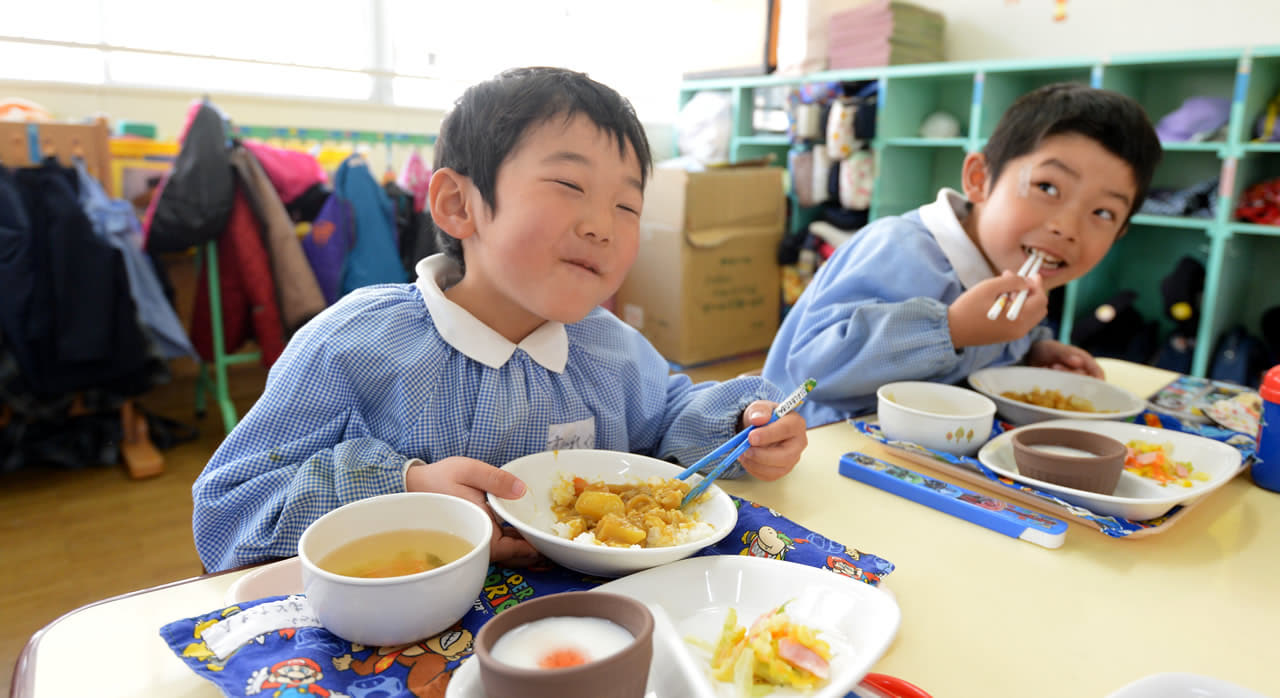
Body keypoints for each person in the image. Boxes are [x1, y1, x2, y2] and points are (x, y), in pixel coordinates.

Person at [192, 67, 808, 573]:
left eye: (627, 204)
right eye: (569, 184)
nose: (602, 224)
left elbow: (671, 416)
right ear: (460, 205)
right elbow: (227, 508)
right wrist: (403, 488)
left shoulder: (610, 349)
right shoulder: (353, 344)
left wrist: (744, 428)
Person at [762, 83, 1162, 426]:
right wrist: (950, 330)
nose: (1067, 228)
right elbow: (814, 372)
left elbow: (982, 351)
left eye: (1103, 213)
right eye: (1048, 188)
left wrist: (1033, 349)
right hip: (806, 455)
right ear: (979, 180)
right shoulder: (900, 249)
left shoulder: (1009, 269)